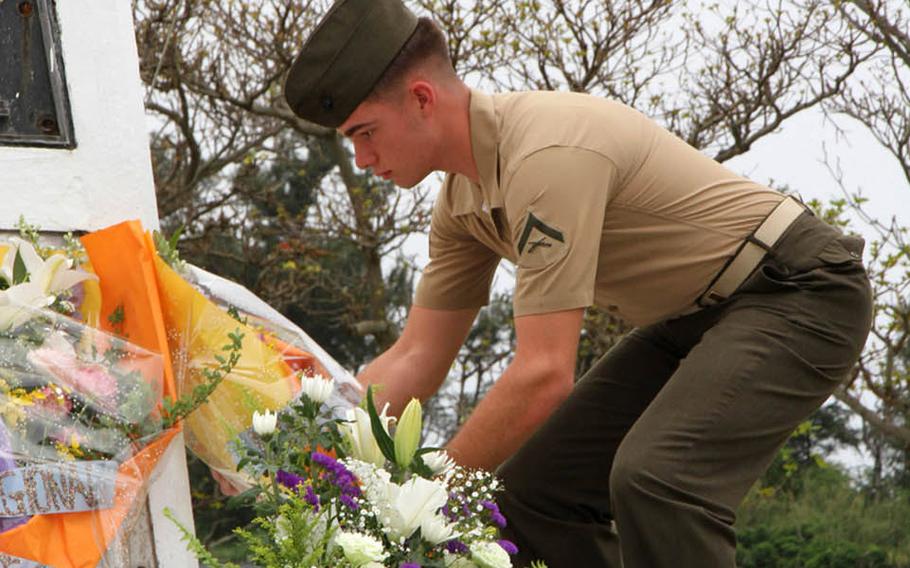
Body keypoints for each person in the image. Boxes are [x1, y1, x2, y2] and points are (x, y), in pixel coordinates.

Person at [284, 0, 873, 566]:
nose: (361, 158)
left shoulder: (546, 155)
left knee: (655, 478)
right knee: (532, 495)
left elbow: (543, 375)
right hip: (692, 320)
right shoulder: (461, 202)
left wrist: (424, 501)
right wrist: (314, 433)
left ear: (420, 99)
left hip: (798, 290)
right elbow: (417, 355)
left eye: (365, 132)